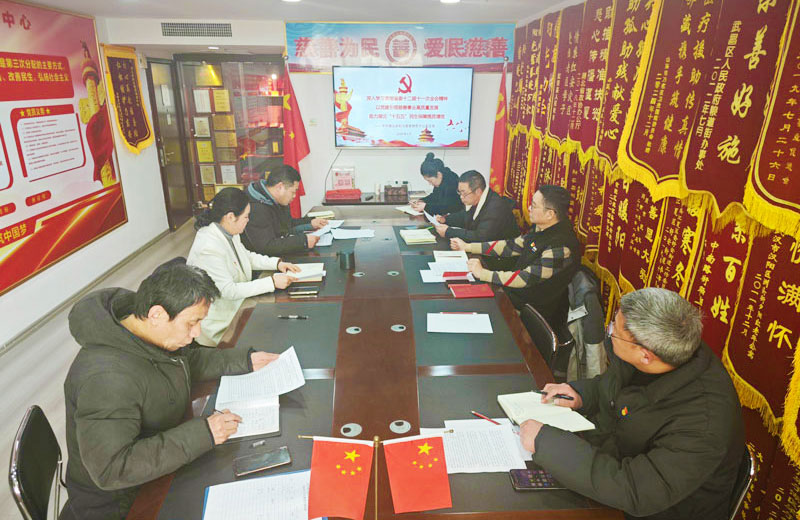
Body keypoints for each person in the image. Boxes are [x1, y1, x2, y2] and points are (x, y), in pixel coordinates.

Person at [60, 262, 280, 520]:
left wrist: (244, 360)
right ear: (157, 315)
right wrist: (204, 433)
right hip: (122, 503)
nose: (197, 332)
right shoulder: (106, 379)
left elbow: (187, 361)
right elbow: (112, 469)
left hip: (159, 463)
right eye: (192, 323)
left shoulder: (144, 332)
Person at [519, 288, 745, 520]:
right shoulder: (659, 352)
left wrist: (546, 443)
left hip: (650, 509)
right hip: (609, 464)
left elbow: (636, 490)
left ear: (645, 355)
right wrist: (580, 394)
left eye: (613, 331)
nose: (609, 333)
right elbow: (611, 386)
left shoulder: (703, 425)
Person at [452, 185, 581, 325]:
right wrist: (468, 247)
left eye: (534, 205)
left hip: (528, 312)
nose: (529, 208)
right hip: (513, 295)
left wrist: (483, 273)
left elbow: (525, 278)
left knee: (469, 309)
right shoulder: (542, 228)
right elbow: (511, 246)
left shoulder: (561, 246)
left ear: (550, 214)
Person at [187, 187, 300, 346]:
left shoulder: (228, 231)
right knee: (274, 333)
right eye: (246, 216)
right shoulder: (208, 247)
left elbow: (246, 256)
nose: (248, 220)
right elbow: (229, 290)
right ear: (230, 217)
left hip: (238, 307)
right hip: (221, 323)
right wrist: (272, 282)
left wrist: (277, 263)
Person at [242, 165, 329, 255]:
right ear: (280, 187)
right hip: (262, 260)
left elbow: (287, 225)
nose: (294, 196)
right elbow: (267, 246)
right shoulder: (255, 208)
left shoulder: (276, 199)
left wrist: (310, 223)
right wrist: (303, 241)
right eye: (293, 192)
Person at [432, 170, 519, 242]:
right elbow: (464, 217)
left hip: (501, 255)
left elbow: (480, 236)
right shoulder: (476, 199)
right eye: (459, 192)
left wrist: (449, 232)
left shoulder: (495, 208)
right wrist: (445, 219)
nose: (461, 197)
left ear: (478, 191)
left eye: (464, 193)